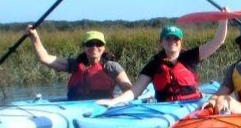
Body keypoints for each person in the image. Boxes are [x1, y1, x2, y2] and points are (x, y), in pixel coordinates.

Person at [97, 19, 229, 107]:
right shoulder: (154, 64)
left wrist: (224, 20)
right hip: (165, 107)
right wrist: (114, 102)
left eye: (175, 39)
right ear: (162, 42)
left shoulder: (190, 56)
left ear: (181, 42)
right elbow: (135, 91)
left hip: (191, 104)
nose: (172, 42)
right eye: (168, 39)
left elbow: (218, 41)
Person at [27, 27, 132, 101]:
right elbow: (44, 58)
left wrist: (117, 100)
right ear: (84, 47)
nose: (94, 47)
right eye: (90, 44)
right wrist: (34, 37)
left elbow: (130, 91)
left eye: (98, 44)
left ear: (104, 47)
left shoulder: (112, 67)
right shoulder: (74, 64)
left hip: (102, 108)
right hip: (75, 108)